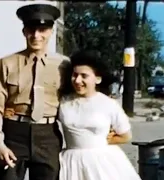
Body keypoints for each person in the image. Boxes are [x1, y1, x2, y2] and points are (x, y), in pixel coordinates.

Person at [0, 4, 70, 180]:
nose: (36, 35)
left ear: (51, 31)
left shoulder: (64, 65)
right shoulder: (7, 63)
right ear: (24, 31)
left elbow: (75, 101)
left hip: (48, 134)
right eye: (31, 29)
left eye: (43, 29)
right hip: (14, 133)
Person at [58, 50, 141, 180]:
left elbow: (126, 136)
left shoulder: (108, 104)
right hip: (71, 162)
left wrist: (103, 140)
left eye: (84, 76)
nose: (78, 80)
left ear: (97, 79)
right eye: (75, 75)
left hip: (101, 162)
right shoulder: (64, 102)